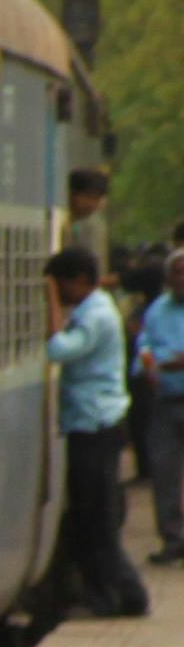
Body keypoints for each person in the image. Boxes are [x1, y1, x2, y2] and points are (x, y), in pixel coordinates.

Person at [45, 248, 150, 623]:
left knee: (98, 516)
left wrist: (51, 305)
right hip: (88, 424)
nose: (60, 293)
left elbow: (58, 350)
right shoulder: (95, 310)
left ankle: (124, 595)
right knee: (89, 515)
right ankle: (110, 594)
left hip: (96, 426)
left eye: (61, 287)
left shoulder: (98, 315)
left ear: (77, 280)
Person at [139, 230, 184, 566]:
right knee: (165, 470)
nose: (181, 278)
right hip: (166, 400)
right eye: (176, 272)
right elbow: (144, 346)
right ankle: (172, 537)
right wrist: (148, 363)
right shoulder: (157, 309)